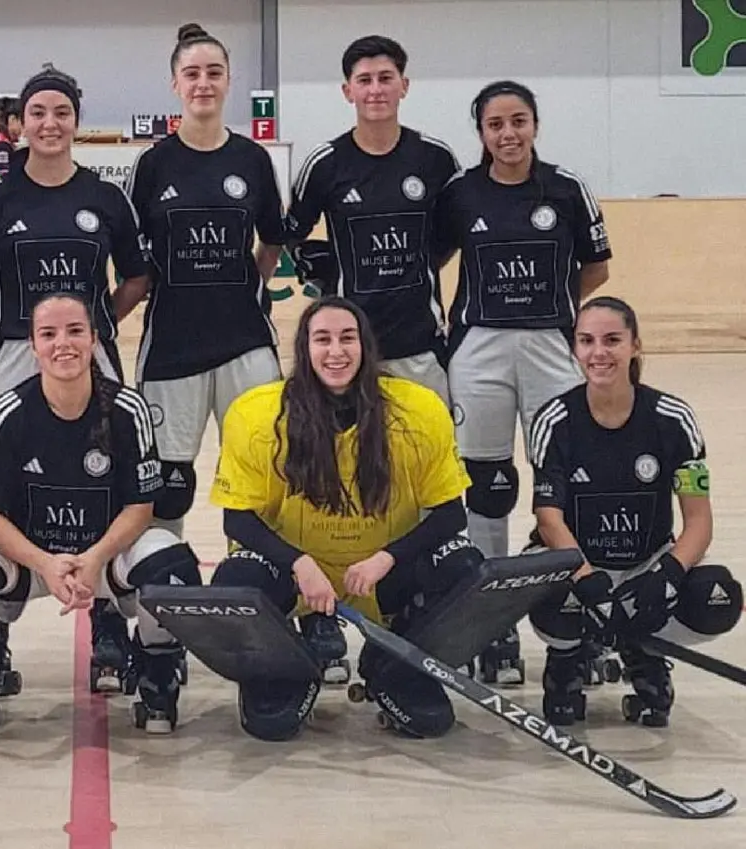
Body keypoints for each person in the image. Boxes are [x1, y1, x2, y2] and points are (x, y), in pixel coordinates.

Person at [0, 63, 153, 692]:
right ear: (18, 124)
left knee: (106, 479)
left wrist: (92, 328)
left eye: (61, 113)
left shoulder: (105, 196)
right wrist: (13, 326)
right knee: (3, 490)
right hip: (14, 348)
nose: (49, 123)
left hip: (88, 353)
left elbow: (137, 278)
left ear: (75, 121)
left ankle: (111, 629)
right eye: (37, 113)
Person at [0, 293, 201, 736]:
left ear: (94, 339)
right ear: (33, 345)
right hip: (32, 561)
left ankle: (155, 671)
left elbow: (140, 508)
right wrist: (46, 564)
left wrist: (93, 559)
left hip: (106, 558)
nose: (62, 344)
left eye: (75, 331)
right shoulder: (7, 412)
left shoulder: (128, 411)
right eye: (48, 334)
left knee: (175, 569)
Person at [207, 296, 482, 740]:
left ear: (366, 346)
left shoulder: (419, 409)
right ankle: (288, 667)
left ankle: (396, 663)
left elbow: (451, 514)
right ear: (304, 349)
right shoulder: (256, 414)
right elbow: (236, 522)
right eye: (323, 339)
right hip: (300, 576)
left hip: (379, 574)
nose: (336, 352)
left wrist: (386, 559)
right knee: (235, 580)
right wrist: (298, 562)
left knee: (464, 566)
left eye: (347, 338)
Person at [433, 80, 612, 684]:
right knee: (488, 483)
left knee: (563, 481)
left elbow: (596, 267)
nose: (508, 134)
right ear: (480, 132)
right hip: (480, 348)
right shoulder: (459, 193)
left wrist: (555, 313)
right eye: (494, 125)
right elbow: (430, 261)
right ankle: (494, 627)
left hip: (549, 348)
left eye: (518, 121)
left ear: (535, 123)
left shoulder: (565, 189)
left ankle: (578, 624)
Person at [527, 297, 740, 727]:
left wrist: (668, 577)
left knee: (718, 597)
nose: (598, 353)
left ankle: (645, 651)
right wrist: (589, 584)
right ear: (574, 349)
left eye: (612, 340)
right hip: (579, 569)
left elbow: (698, 519)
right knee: (551, 599)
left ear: (635, 346)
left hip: (646, 564)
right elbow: (549, 519)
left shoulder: (674, 418)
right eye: (586, 341)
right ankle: (569, 658)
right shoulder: (554, 421)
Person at [121, 23, 286, 541]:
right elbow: (134, 259)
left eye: (214, 73)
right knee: (170, 486)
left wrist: (245, 289)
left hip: (246, 344)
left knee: (265, 472)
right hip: (172, 346)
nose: (203, 83)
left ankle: (261, 585)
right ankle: (165, 595)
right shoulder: (152, 164)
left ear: (228, 81)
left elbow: (272, 240)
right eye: (191, 73)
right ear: (175, 84)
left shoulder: (252, 159)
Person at [284, 35, 459, 405]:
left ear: (404, 86)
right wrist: (323, 271)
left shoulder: (435, 158)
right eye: (364, 80)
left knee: (428, 457)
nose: (375, 90)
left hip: (421, 347)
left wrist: (425, 260)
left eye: (385, 78)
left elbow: (454, 230)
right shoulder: (324, 164)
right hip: (349, 353)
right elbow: (292, 232)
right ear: (348, 91)